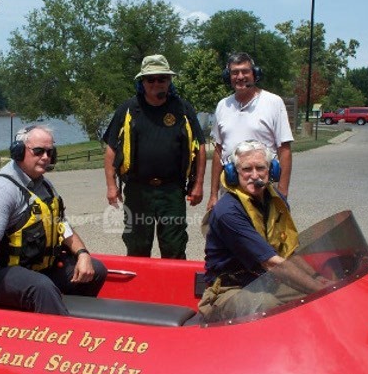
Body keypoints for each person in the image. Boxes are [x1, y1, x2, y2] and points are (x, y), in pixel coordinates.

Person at [0, 125, 107, 314]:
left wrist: (83, 253)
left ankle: (73, 317)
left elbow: (61, 225)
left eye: (50, 152)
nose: (45, 157)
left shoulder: (44, 185)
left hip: (39, 269)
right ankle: (59, 335)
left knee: (96, 270)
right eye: (38, 151)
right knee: (41, 287)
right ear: (18, 152)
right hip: (2, 274)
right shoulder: (1, 189)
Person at [201, 140, 329, 319]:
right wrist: (323, 290)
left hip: (264, 282)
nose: (255, 175)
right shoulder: (228, 211)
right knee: (270, 307)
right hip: (229, 290)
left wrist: (318, 279)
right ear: (233, 174)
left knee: (314, 298)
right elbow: (271, 262)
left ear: (272, 170)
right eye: (246, 169)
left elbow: (287, 252)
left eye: (260, 168)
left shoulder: (275, 201)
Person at [103, 54, 207, 259]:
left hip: (172, 190)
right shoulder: (128, 109)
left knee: (174, 247)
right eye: (150, 79)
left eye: (162, 78)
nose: (156, 83)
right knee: (137, 246)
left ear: (169, 81)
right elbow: (111, 149)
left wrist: (198, 185)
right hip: (137, 190)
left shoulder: (183, 109)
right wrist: (111, 186)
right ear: (142, 82)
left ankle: (174, 290)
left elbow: (200, 147)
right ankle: (139, 290)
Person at [207, 52, 294, 211]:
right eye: (234, 72)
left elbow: (285, 150)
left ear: (255, 74)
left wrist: (282, 192)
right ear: (228, 76)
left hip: (264, 188)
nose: (240, 76)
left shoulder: (273, 102)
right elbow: (218, 152)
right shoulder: (222, 106)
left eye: (245, 71)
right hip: (231, 188)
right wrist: (213, 194)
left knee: (264, 234)